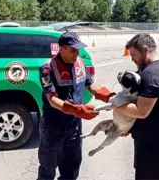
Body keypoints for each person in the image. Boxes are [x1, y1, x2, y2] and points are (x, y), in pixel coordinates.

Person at [37, 32, 115, 180]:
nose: (77, 53)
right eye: (73, 50)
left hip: (74, 125)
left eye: (78, 49)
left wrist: (103, 93)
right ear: (61, 49)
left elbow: (89, 83)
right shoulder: (48, 69)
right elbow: (52, 99)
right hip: (53, 125)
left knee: (72, 167)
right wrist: (76, 109)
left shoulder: (80, 62)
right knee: (48, 168)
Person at [114, 33, 159, 180]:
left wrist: (115, 105)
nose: (132, 59)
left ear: (145, 50)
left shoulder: (153, 73)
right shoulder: (154, 67)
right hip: (151, 140)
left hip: (156, 144)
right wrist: (130, 127)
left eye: (134, 55)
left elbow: (141, 111)